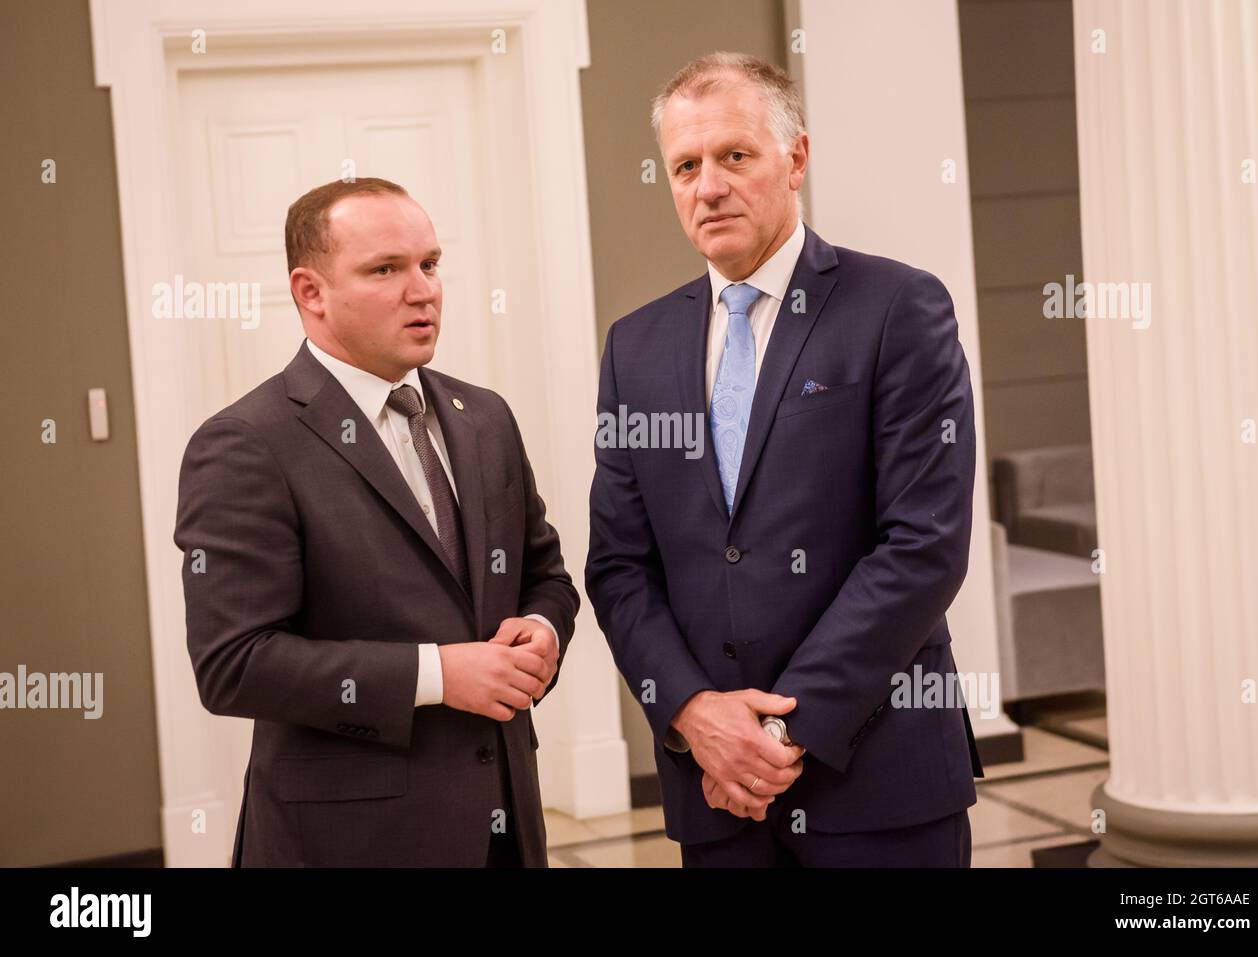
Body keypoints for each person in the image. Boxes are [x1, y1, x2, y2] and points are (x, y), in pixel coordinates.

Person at [586, 53, 984, 867]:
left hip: (879, 787)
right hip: (715, 797)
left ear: (795, 157)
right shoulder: (637, 345)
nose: (709, 186)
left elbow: (923, 546)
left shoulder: (897, 307)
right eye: (686, 165)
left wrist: (777, 733)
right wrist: (694, 714)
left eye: (736, 155)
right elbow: (620, 565)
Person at [175, 177, 578, 867]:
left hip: (505, 824)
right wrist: (438, 675)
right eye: (385, 269)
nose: (422, 289)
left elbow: (545, 574)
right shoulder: (245, 443)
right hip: (350, 841)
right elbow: (234, 664)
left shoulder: (484, 417)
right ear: (311, 292)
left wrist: (541, 631)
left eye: (430, 263)